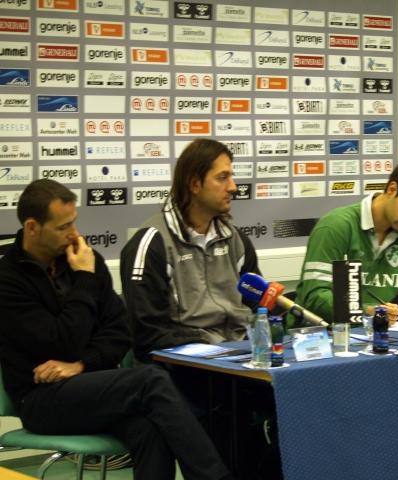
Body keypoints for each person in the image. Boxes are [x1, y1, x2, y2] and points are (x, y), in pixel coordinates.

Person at [0, 179, 232, 480]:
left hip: (95, 387)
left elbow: (121, 331)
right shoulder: (9, 279)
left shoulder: (85, 260)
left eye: (74, 222)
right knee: (150, 379)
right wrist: (84, 280)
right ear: (32, 227)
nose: (74, 234)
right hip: (40, 399)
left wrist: (81, 364)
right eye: (63, 227)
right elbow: (59, 341)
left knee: (149, 426)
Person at [120, 138, 260, 361]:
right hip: (186, 363)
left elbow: (258, 305)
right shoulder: (152, 243)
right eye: (222, 178)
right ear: (195, 184)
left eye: (231, 177)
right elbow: (148, 334)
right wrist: (207, 346)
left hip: (243, 353)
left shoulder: (236, 240)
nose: (233, 187)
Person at [295, 157, 398, 326]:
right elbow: (315, 296)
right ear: (392, 189)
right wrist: (367, 312)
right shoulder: (336, 226)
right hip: (318, 335)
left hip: (373, 335)